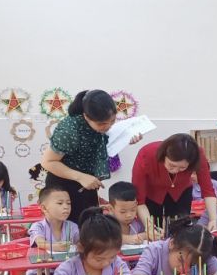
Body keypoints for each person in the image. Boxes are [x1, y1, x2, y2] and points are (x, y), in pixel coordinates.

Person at [41, 90, 142, 223]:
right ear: (86, 117)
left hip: (87, 183)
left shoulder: (100, 125)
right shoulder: (69, 130)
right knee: (68, 228)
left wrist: (126, 139)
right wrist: (81, 177)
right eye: (102, 124)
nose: (108, 127)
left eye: (112, 121)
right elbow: (48, 162)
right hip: (63, 186)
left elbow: (105, 143)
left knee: (91, 226)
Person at [132, 133, 217, 229]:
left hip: (181, 192)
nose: (175, 170)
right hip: (152, 194)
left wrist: (213, 219)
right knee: (154, 227)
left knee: (181, 227)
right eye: (171, 165)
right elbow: (139, 200)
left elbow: (208, 191)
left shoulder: (197, 155)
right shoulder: (146, 154)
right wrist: (149, 227)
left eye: (182, 168)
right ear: (164, 155)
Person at [26, 186, 79, 275]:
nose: (66, 207)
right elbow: (40, 242)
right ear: (44, 208)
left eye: (68, 203)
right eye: (60, 203)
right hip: (40, 273)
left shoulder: (72, 226)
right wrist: (56, 246)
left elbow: (81, 243)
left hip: (66, 271)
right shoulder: (38, 226)